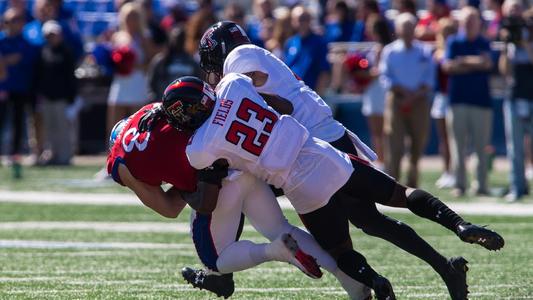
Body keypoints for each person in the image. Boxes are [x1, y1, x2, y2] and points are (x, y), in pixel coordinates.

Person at [162, 74, 505, 300]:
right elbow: (279, 105)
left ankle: (374, 281)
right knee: (400, 194)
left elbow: (210, 179)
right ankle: (459, 224)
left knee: (341, 251)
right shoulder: (234, 83)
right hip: (321, 153)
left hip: (298, 183)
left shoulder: (199, 147)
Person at [107, 103, 371, 300]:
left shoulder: (119, 160)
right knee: (282, 228)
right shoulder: (152, 109)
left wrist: (186, 177)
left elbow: (169, 208)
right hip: (240, 162)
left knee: (216, 261)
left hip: (216, 184)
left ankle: (275, 252)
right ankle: (354, 284)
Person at [443, 6, 494, 196]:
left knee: (481, 146)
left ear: (479, 22)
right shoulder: (454, 42)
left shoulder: (484, 42)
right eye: (466, 20)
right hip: (458, 101)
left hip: (481, 102)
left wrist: (462, 62)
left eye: (473, 20)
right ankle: (460, 184)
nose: (470, 24)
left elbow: (488, 64)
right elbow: (448, 66)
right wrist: (475, 63)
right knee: (458, 146)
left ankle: (481, 185)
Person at [380, 13, 435, 187]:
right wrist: (403, 93)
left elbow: (429, 79)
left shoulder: (424, 51)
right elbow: (385, 78)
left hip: (419, 101)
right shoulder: (389, 51)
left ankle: (412, 181)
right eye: (404, 29)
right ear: (397, 31)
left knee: (418, 143)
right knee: (394, 143)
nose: (407, 33)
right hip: (396, 100)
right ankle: (392, 182)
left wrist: (414, 96)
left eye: (410, 29)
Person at [499, 3, 533, 201]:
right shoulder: (508, 34)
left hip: (531, 94)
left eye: (517, 8)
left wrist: (525, 41)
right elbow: (505, 70)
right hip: (514, 95)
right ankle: (517, 187)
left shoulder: (530, 30)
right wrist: (506, 46)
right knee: (515, 147)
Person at [106, 2, 154, 139]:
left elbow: (150, 61)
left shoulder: (144, 37)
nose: (130, 20)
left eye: (134, 17)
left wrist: (133, 66)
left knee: (137, 120)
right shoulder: (117, 36)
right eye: (128, 17)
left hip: (137, 81)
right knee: (115, 119)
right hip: (121, 81)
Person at [35, 20, 77, 165]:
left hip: (61, 98)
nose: (51, 38)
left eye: (53, 34)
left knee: (62, 128)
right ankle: (52, 155)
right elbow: (39, 75)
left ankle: (65, 156)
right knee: (50, 128)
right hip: (47, 97)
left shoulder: (66, 51)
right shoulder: (43, 51)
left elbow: (70, 77)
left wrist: (71, 97)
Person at [0, 8, 38, 168]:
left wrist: (5, 61)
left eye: (16, 20)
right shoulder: (2, 41)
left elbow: (20, 59)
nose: (13, 25)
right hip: (2, 89)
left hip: (20, 88)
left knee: (17, 122)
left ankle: (14, 154)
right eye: (10, 21)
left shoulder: (26, 42)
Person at [432, 17, 458, 189]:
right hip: (442, 97)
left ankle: (456, 172)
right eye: (445, 32)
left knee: (455, 138)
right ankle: (447, 171)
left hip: (456, 97)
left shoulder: (457, 49)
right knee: (444, 138)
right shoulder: (438, 52)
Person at [146, 27, 201, 102]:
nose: (178, 41)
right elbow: (152, 83)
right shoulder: (161, 60)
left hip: (185, 103)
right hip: (163, 101)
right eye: (176, 38)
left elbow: (198, 82)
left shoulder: (192, 62)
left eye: (181, 38)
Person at [284, 6, 330, 94]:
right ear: (293, 21)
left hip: (311, 93)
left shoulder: (319, 42)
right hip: (292, 93)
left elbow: (324, 71)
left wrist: (318, 96)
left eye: (305, 18)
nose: (302, 22)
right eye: (300, 19)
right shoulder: (290, 42)